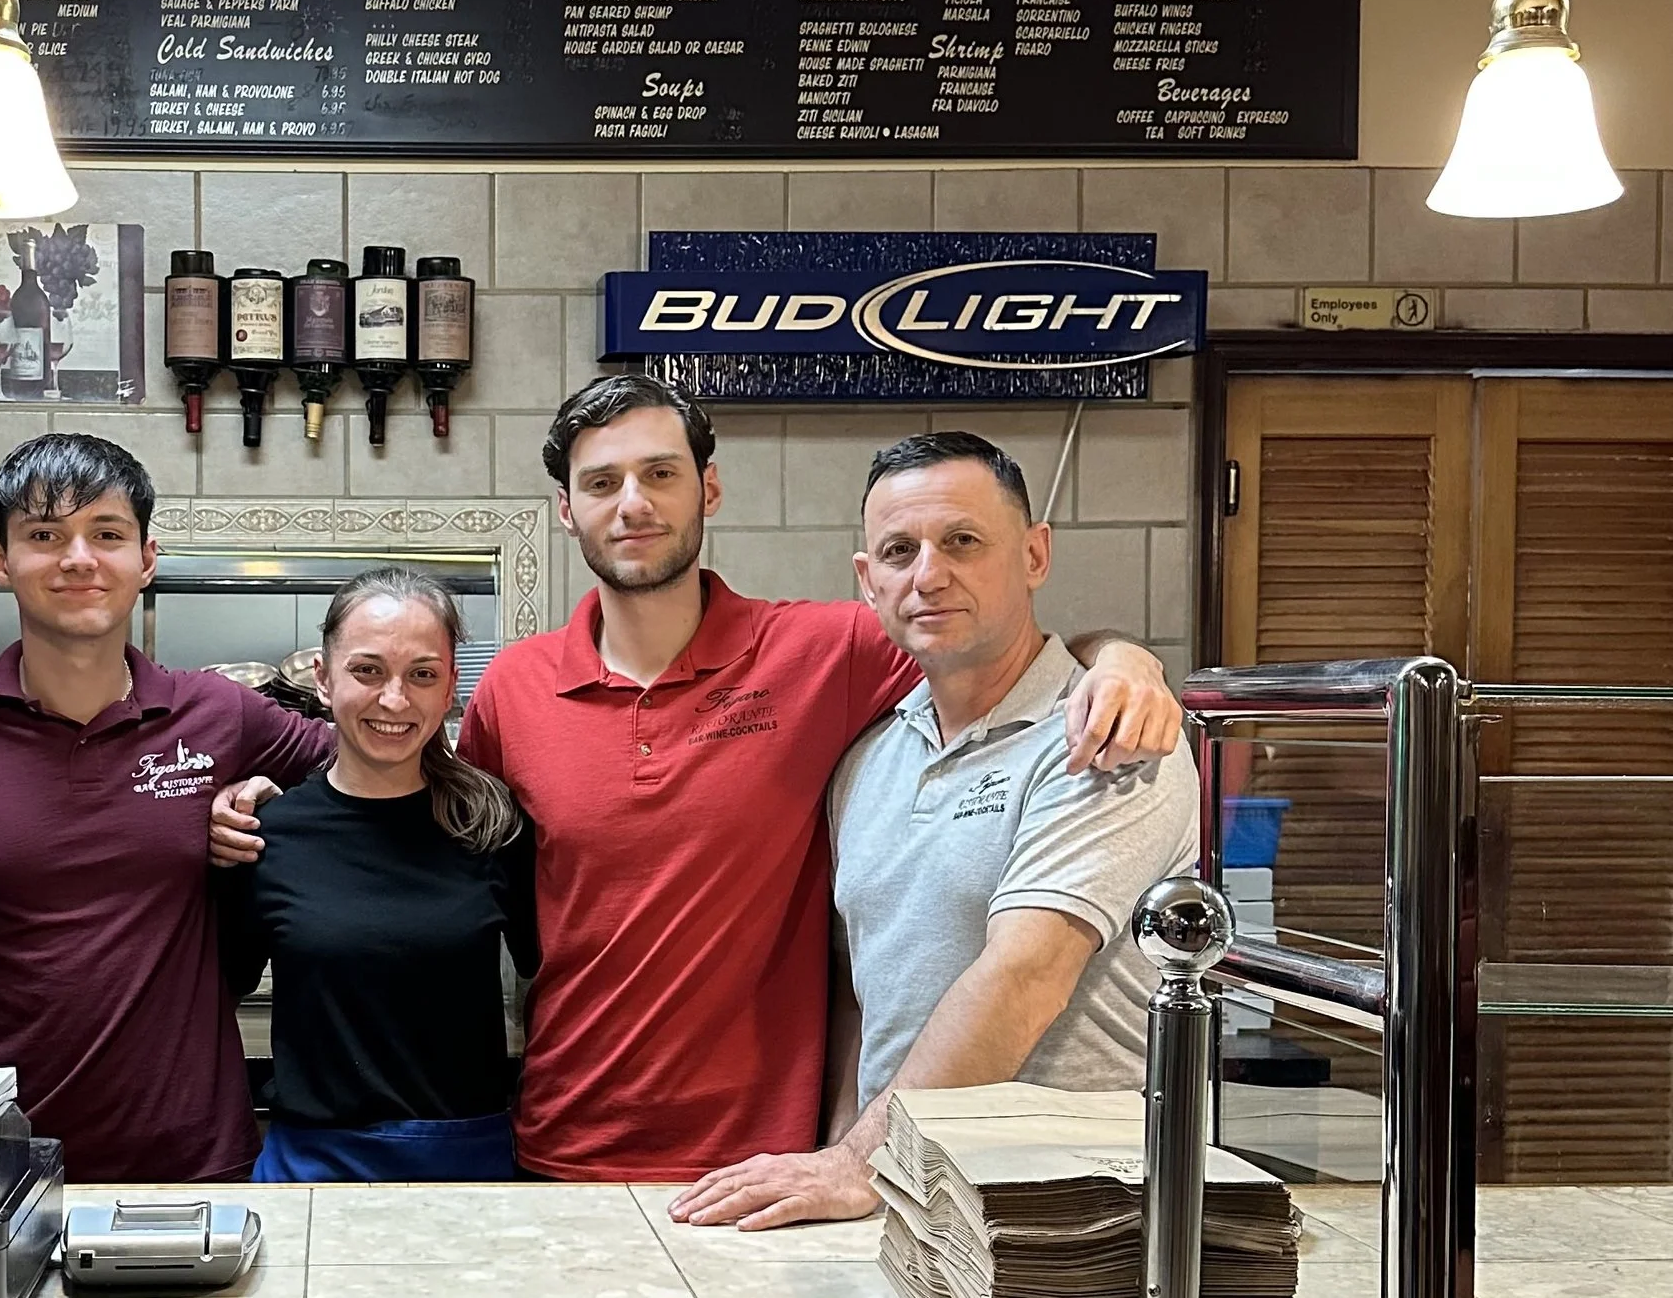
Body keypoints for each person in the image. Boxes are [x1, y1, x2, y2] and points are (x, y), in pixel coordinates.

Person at [212, 376, 1182, 1183]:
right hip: (560, 1142)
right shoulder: (515, 686)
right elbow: (430, 814)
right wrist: (280, 805)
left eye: (659, 474)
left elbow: (995, 646)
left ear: (706, 492)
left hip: (762, 1155)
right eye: (602, 483)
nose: (632, 504)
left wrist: (1120, 662)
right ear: (566, 511)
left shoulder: (824, 650)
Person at [670, 433, 1198, 1229]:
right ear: (867, 580)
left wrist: (854, 1162)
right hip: (905, 1202)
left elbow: (1027, 972)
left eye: (962, 541)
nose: (928, 574)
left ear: (1034, 554)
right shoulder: (869, 760)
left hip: (1069, 1219)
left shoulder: (1108, 734)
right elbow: (860, 1005)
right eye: (899, 549)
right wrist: (843, 1159)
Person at [0, 433, 335, 1182]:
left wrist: (274, 796)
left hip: (190, 1158)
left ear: (147, 560)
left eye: (108, 534)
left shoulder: (219, 714)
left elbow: (376, 764)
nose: (79, 558)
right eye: (45, 535)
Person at [215, 567, 536, 1182]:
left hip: (469, 1162)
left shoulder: (493, 827)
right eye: (367, 671)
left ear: (449, 691)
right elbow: (214, 1001)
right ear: (324, 680)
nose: (395, 700)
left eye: (422, 674)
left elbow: (544, 983)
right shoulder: (266, 835)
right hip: (314, 1163)